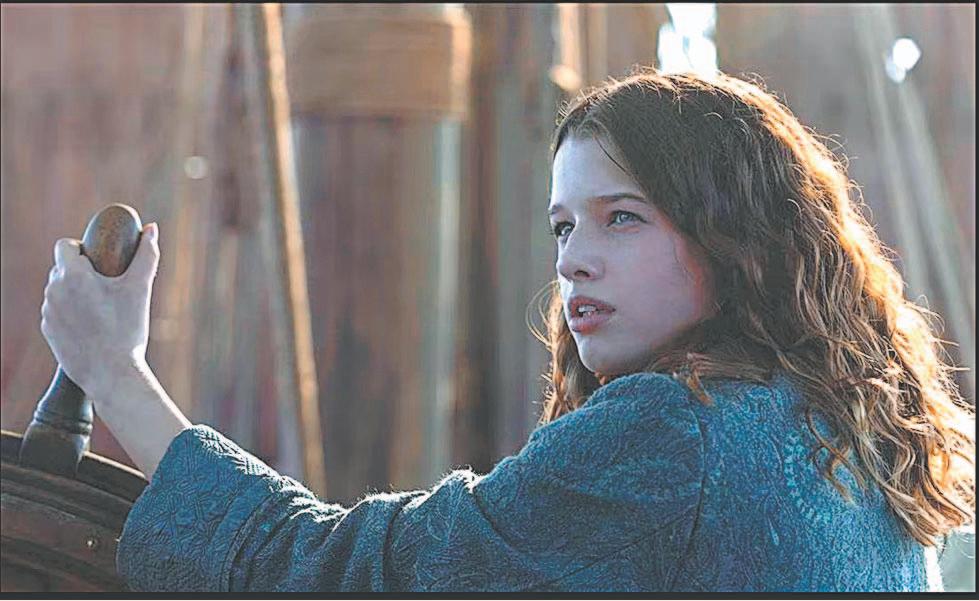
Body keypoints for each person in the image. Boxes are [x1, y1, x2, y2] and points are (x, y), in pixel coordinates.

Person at [39, 69, 974, 592]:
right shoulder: (848, 432)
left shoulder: (673, 433)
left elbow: (339, 580)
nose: (573, 261)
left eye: (621, 218)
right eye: (563, 226)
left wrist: (116, 375)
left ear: (736, 239)